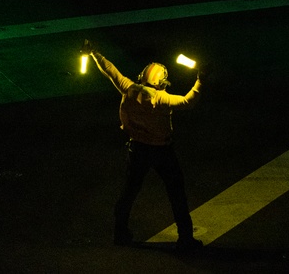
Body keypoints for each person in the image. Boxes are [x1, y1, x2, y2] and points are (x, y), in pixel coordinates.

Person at [83, 39, 205, 252]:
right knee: (176, 193)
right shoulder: (162, 98)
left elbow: (110, 71)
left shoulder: (129, 89)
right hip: (162, 151)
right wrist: (200, 81)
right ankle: (185, 239)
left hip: (137, 148)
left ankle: (120, 233)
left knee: (129, 191)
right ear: (161, 82)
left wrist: (95, 53)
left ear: (142, 76)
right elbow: (188, 102)